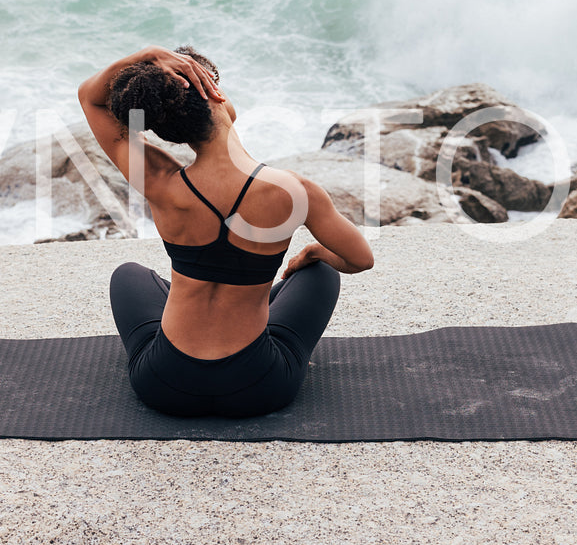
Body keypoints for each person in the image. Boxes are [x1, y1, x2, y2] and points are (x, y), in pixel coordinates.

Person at [78, 44, 373, 418]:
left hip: (164, 384)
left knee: (129, 275)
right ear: (215, 94)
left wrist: (149, 55)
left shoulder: (158, 182)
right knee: (321, 273)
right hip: (258, 387)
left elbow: (90, 98)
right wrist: (315, 252)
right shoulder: (295, 191)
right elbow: (360, 259)